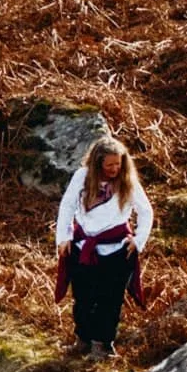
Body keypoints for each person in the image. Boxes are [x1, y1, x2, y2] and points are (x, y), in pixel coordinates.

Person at [54, 135, 153, 357]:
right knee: (83, 298)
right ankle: (83, 340)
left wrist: (138, 241)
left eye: (118, 164)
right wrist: (63, 237)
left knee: (110, 300)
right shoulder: (82, 176)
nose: (114, 169)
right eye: (109, 165)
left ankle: (102, 345)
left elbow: (145, 211)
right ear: (98, 163)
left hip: (117, 249)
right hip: (83, 248)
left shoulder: (127, 180)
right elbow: (67, 206)